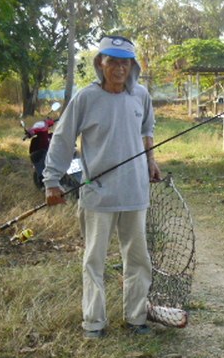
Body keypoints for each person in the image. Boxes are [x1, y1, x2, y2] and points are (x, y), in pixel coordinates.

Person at [43, 34, 161, 339]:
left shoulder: (141, 97)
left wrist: (151, 161)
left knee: (138, 259)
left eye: (125, 63)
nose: (119, 68)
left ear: (132, 67)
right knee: (94, 261)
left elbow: (147, 130)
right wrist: (52, 181)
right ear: (100, 64)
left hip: (135, 193)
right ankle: (93, 322)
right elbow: (63, 138)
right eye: (112, 61)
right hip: (98, 194)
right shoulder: (86, 98)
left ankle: (136, 318)